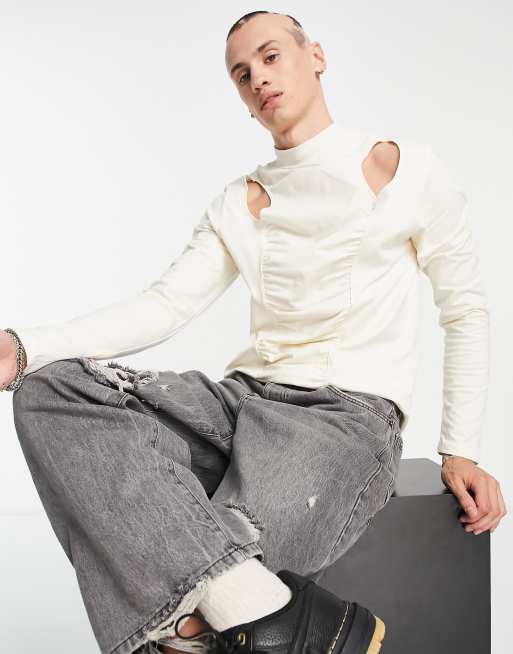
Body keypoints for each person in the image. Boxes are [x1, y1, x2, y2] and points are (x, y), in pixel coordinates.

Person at [1, 9, 506, 654]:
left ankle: (199, 624)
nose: (258, 79)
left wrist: (459, 449)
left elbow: (464, 309)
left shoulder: (407, 171)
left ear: (315, 55)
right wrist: (24, 348)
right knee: (49, 389)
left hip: (342, 418)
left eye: (270, 57)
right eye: (241, 74)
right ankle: (262, 613)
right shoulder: (237, 201)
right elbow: (165, 305)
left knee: (225, 549)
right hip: (239, 404)